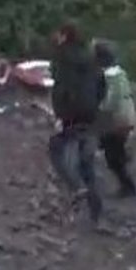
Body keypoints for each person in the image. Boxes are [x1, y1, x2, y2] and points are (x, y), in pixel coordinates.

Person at [49, 22, 106, 224]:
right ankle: (96, 213)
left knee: (56, 150)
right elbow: (102, 86)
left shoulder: (62, 58)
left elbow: (60, 88)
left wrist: (60, 114)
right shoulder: (91, 58)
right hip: (91, 115)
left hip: (71, 114)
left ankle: (76, 188)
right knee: (86, 162)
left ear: (64, 35)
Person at [93, 39, 136, 198]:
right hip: (127, 116)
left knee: (113, 157)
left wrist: (95, 109)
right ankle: (123, 157)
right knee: (113, 148)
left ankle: (128, 187)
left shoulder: (108, 78)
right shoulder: (120, 74)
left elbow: (109, 102)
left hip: (116, 121)